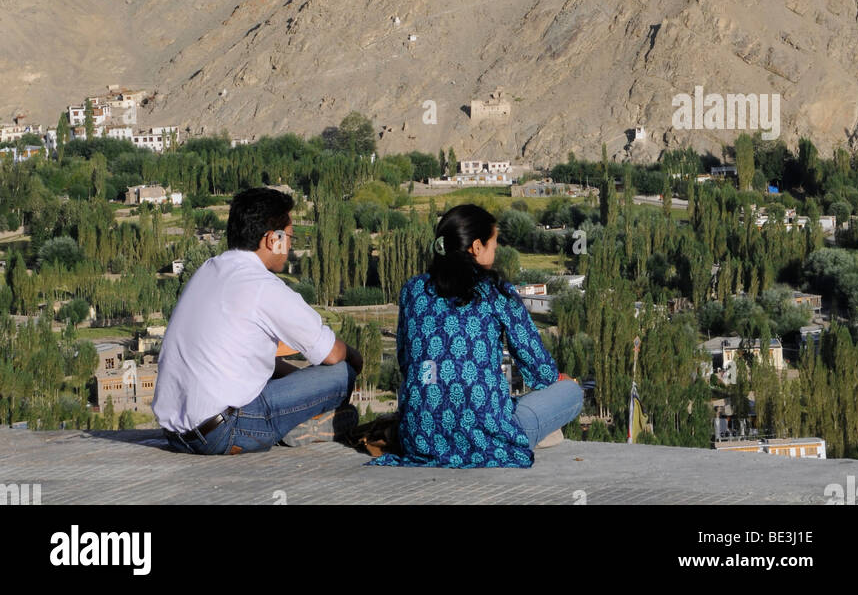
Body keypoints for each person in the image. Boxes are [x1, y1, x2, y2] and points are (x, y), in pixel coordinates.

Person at [369, 203, 583, 467]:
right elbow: (539, 368)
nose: (496, 251)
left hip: (420, 435)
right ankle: (530, 431)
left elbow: (406, 360)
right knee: (572, 393)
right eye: (494, 244)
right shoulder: (496, 291)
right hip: (486, 438)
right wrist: (558, 380)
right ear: (477, 247)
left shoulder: (413, 289)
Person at [153, 186, 362, 454]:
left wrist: (299, 384)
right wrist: (356, 361)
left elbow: (253, 363)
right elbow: (331, 353)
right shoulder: (262, 286)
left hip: (177, 435)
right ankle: (292, 424)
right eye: (288, 237)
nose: (289, 245)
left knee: (278, 370)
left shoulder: (209, 269)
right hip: (224, 433)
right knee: (341, 373)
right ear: (271, 240)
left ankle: (295, 422)